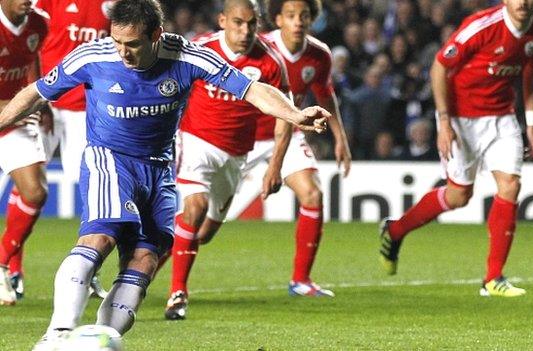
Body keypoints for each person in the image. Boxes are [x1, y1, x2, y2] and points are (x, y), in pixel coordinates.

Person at [0, 0, 328, 347]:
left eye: (133, 45)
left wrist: (294, 114)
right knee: (101, 238)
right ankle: (57, 336)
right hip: (109, 159)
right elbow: (35, 93)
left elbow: (252, 88)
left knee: (144, 258)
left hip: (159, 169)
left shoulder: (187, 56)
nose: (123, 53)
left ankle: (102, 338)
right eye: (117, 43)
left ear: (157, 35)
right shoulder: (92, 56)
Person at [378, 0, 533, 297]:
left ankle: (493, 278)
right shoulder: (481, 27)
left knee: (510, 185)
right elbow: (438, 66)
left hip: (502, 117)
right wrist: (444, 121)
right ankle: (395, 231)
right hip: (461, 118)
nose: (522, 2)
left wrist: (532, 121)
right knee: (458, 196)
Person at [162, 0, 290, 320]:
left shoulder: (271, 62)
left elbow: (284, 113)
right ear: (222, 21)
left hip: (236, 155)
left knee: (202, 233)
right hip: (196, 142)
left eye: (251, 24)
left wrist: (275, 164)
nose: (245, 31)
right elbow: (170, 85)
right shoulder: (200, 49)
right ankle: (177, 293)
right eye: (237, 23)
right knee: (194, 208)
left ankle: (145, 262)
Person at [6, 0, 117, 301]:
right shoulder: (46, 4)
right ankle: (13, 268)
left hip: (86, 108)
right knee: (29, 181)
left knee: (94, 193)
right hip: (46, 101)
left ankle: (89, 270)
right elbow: (33, 49)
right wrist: (38, 98)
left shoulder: (111, 6)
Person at [247, 0, 351, 297]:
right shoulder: (261, 48)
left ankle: (301, 280)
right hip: (244, 135)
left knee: (313, 193)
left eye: (304, 16)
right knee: (201, 226)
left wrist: (339, 136)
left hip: (288, 133)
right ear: (278, 19)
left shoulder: (319, 55)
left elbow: (325, 95)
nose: (298, 21)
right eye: (291, 15)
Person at [0, 0, 48, 306]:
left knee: (35, 192)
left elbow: (33, 57)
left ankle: (2, 263)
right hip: (9, 110)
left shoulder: (38, 23)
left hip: (14, 118)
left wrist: (38, 95)